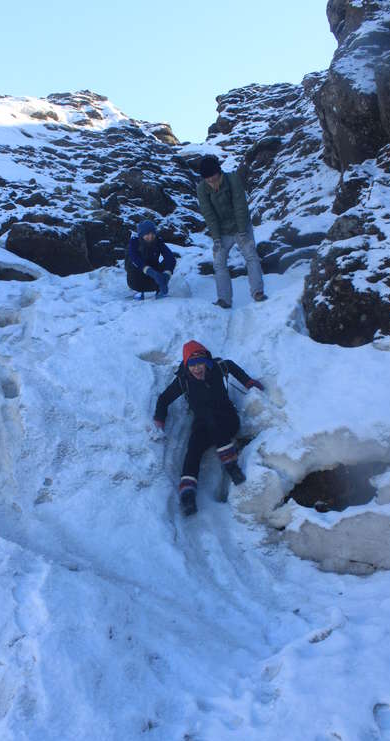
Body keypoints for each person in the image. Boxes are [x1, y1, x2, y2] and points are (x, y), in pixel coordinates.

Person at [154, 340, 264, 516]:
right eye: (192, 365)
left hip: (228, 419)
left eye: (201, 364)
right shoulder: (183, 381)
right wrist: (160, 419)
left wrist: (249, 382)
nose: (197, 369)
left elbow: (232, 367)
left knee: (212, 419)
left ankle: (231, 465)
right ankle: (187, 492)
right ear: (186, 365)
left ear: (207, 363)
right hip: (203, 424)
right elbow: (164, 399)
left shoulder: (219, 368)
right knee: (194, 446)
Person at [197, 155, 266, 309]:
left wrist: (242, 231)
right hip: (222, 230)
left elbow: (240, 206)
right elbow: (209, 214)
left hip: (240, 225)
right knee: (219, 263)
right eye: (207, 179)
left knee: (251, 256)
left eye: (213, 177)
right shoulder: (202, 189)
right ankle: (224, 300)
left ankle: (257, 292)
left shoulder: (232, 179)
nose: (211, 181)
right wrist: (216, 238)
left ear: (218, 172)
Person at [125, 220, 176, 299]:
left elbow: (170, 257)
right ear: (141, 235)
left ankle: (160, 289)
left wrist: (166, 275)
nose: (150, 236)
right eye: (147, 234)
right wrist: (152, 273)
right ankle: (138, 291)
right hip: (137, 278)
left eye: (152, 233)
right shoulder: (134, 242)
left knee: (168, 261)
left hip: (154, 277)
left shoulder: (158, 241)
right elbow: (134, 258)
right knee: (132, 263)